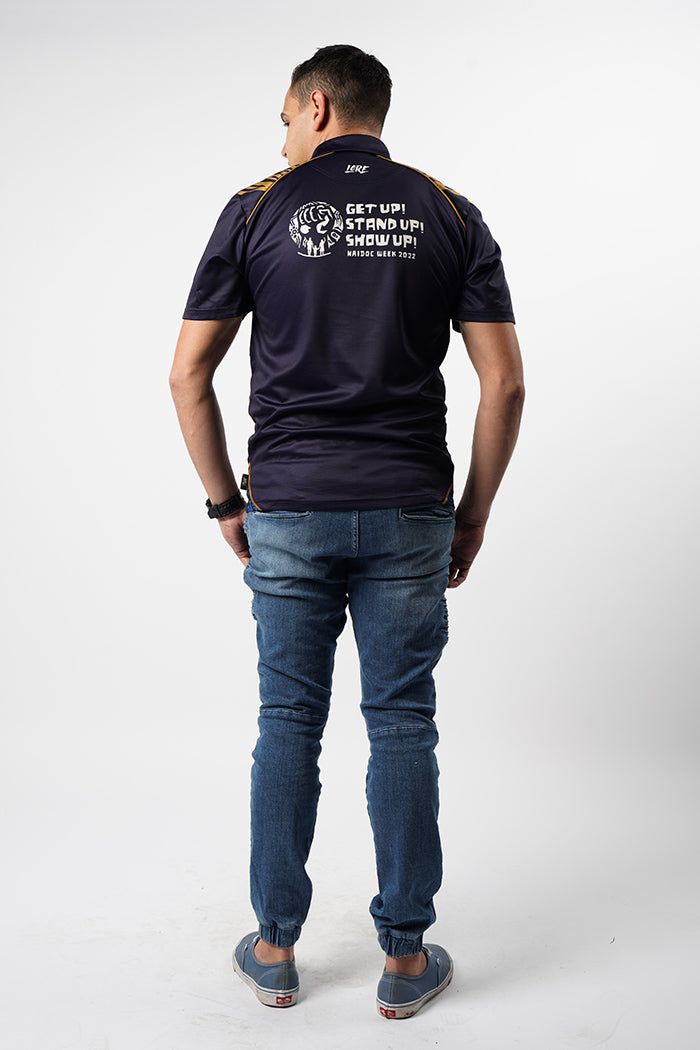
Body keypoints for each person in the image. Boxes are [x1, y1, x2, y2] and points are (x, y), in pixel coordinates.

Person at [169, 44, 524, 1019]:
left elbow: (187, 373)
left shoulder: (254, 209)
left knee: (287, 720)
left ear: (317, 107)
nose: (282, 135)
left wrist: (225, 504)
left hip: (288, 505)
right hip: (410, 507)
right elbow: (505, 383)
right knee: (402, 721)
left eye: (285, 117)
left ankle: (275, 948)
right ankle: (405, 961)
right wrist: (471, 516)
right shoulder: (451, 212)